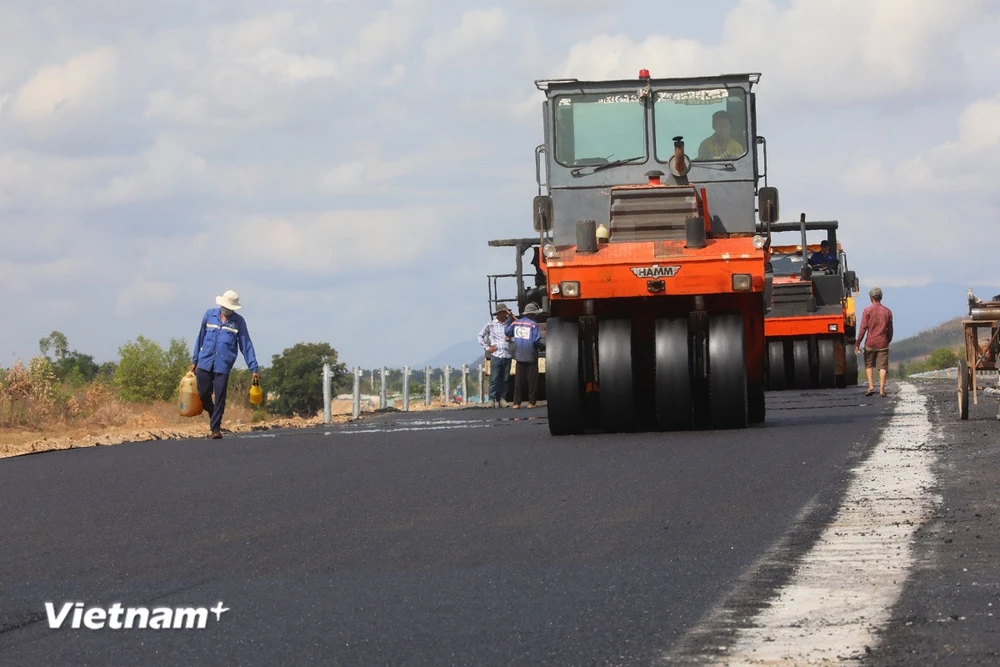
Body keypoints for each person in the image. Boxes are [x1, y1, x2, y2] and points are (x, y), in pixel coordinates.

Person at [190, 290, 259, 439]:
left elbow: (246, 344)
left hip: (223, 365)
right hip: (205, 361)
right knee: (203, 393)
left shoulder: (238, 322)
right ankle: (213, 411)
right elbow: (200, 337)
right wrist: (194, 360)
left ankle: (215, 429)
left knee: (220, 396)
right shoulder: (209, 315)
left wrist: (253, 367)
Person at [505, 303, 546, 409]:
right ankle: (531, 403)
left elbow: (507, 332)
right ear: (533, 314)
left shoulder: (516, 323)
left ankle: (516, 403)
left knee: (518, 381)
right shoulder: (533, 325)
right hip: (531, 356)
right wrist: (543, 347)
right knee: (532, 381)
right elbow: (535, 340)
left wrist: (509, 319)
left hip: (519, 355)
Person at [855, 287, 893, 397]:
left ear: (871, 298)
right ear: (880, 297)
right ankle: (881, 390)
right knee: (883, 367)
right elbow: (890, 330)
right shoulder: (887, 311)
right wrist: (887, 340)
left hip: (870, 343)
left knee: (869, 365)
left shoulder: (867, 311)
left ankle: (871, 387)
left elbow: (863, 329)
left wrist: (857, 344)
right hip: (883, 343)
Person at [478, 303, 514, 408]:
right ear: (498, 314)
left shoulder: (510, 324)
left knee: (505, 379)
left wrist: (511, 339)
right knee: (494, 378)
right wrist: (487, 347)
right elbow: (480, 336)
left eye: (505, 312)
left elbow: (517, 334)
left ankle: (503, 399)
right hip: (496, 354)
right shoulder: (491, 324)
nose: (505, 314)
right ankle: (491, 399)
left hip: (507, 354)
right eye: (503, 312)